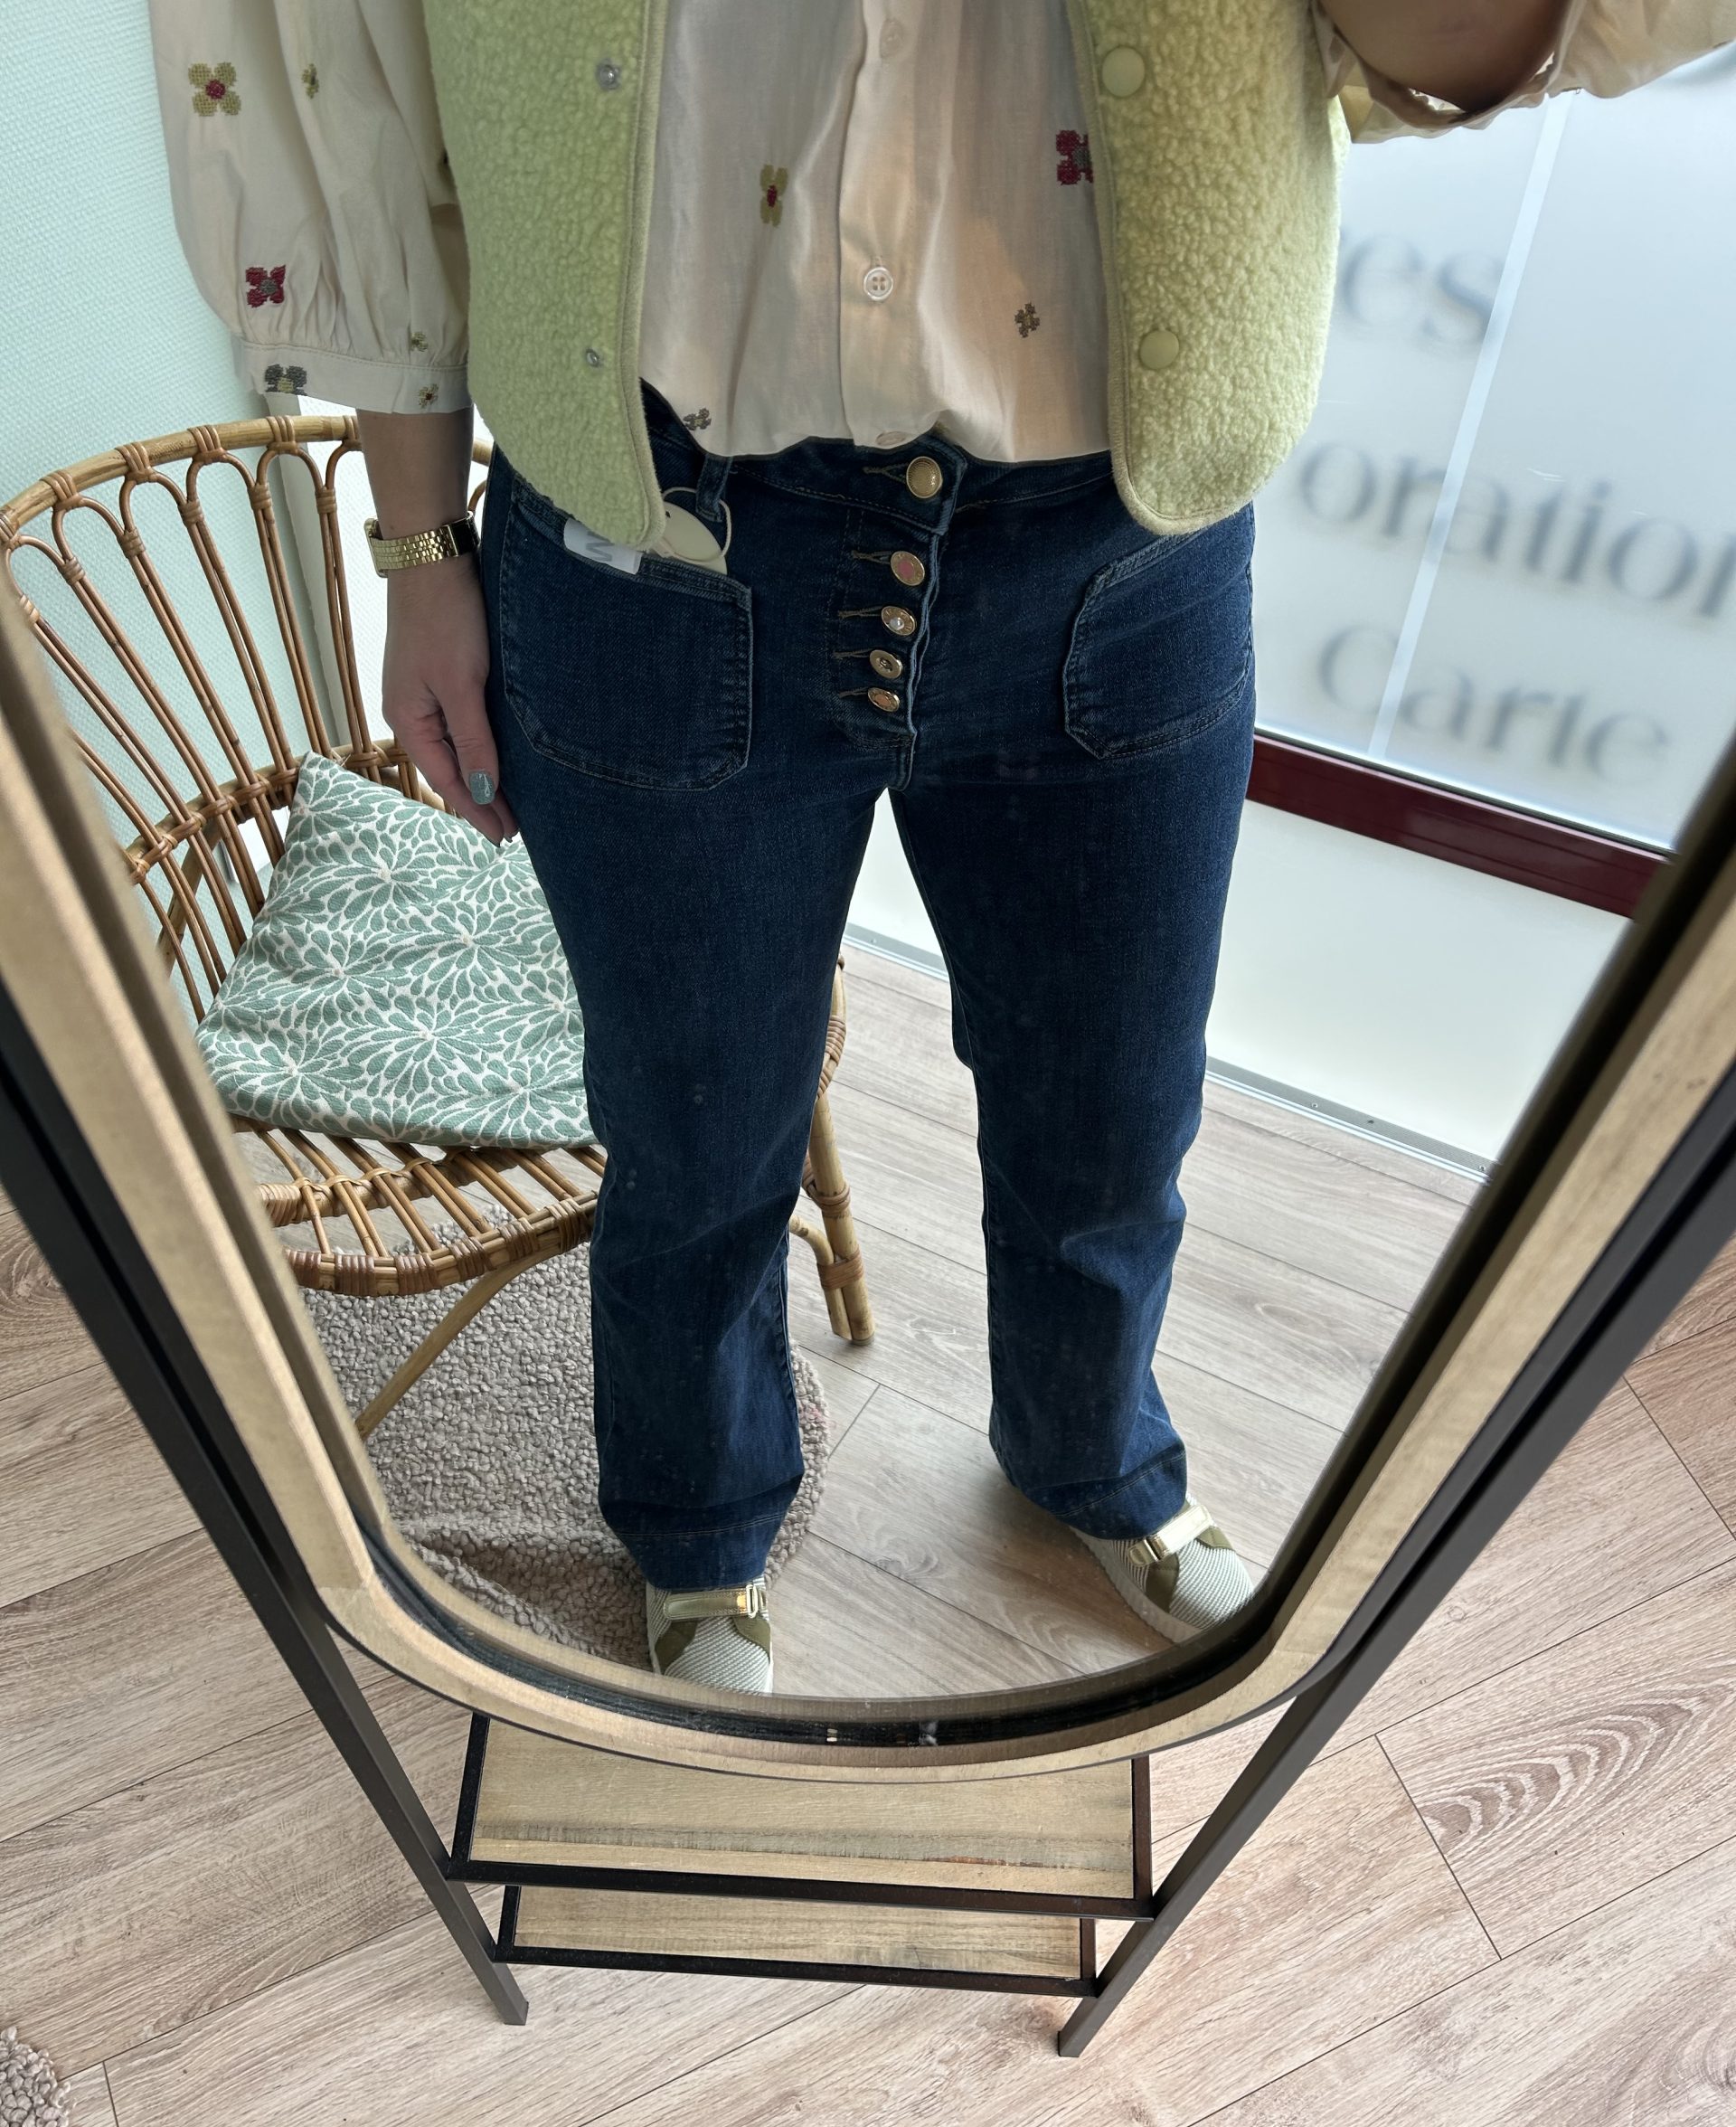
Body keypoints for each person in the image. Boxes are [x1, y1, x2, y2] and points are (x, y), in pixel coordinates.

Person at [150, 1, 1731, 1692]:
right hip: (648, 536)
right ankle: (697, 1523)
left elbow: (1455, 46)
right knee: (693, 1132)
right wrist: (413, 542)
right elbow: (356, 50)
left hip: (1118, 537)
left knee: (1113, 1109)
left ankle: (1091, 1450)